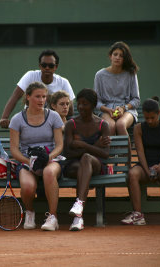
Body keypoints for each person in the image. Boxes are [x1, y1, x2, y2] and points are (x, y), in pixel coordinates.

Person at [9, 82, 64, 231]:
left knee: (48, 172)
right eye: (37, 96)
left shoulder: (54, 116)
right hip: (27, 161)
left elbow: (59, 145)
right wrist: (30, 161)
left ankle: (53, 217)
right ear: (28, 97)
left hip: (51, 160)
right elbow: (14, 149)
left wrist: (48, 157)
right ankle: (30, 212)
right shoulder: (16, 119)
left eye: (44, 97)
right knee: (27, 187)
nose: (41, 100)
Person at [121, 97, 160, 226]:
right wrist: (147, 170)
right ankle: (138, 215)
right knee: (132, 174)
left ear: (158, 113)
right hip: (145, 164)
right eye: (146, 118)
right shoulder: (138, 128)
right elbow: (140, 152)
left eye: (152, 118)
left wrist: (159, 166)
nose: (149, 121)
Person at [63, 89, 110, 231]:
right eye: (79, 103)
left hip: (95, 166)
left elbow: (105, 154)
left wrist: (82, 145)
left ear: (94, 105)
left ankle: (78, 207)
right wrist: (94, 146)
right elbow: (68, 153)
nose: (81, 107)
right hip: (73, 166)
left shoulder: (103, 125)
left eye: (85, 104)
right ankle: (78, 215)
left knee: (86, 158)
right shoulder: (71, 124)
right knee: (84, 161)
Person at [0, 49, 75, 128]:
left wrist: (52, 100)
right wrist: (4, 118)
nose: (47, 68)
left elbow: (70, 110)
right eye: (44, 65)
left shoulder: (63, 82)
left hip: (53, 124)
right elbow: (15, 96)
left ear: (56, 67)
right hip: (30, 121)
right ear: (39, 66)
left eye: (51, 66)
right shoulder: (30, 75)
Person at [94, 41, 140, 136]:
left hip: (127, 110)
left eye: (121, 55)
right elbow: (96, 102)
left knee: (120, 125)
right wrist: (107, 110)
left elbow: (136, 99)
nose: (118, 57)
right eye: (115, 54)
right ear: (110, 56)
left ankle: (127, 151)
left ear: (125, 59)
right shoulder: (100, 75)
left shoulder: (131, 74)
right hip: (105, 110)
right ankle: (112, 151)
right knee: (110, 126)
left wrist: (124, 108)